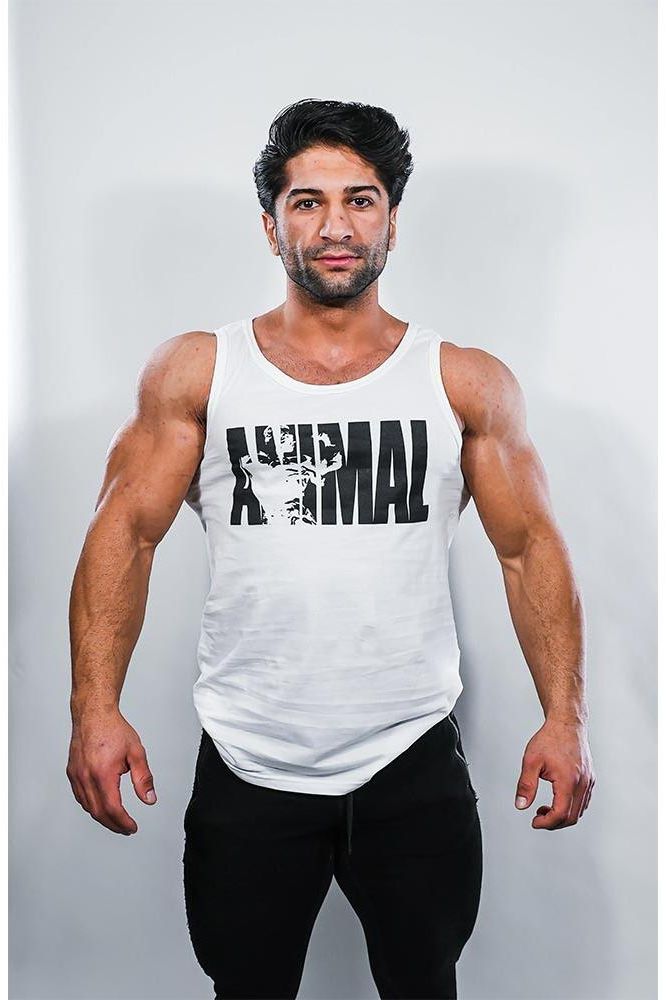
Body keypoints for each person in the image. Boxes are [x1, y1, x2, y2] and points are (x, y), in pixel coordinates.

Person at [66, 98, 596, 999]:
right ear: (270, 228)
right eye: (306, 202)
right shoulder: (199, 371)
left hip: (412, 756)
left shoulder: (461, 380)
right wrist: (94, 709)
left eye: (360, 198)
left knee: (423, 982)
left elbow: (529, 550)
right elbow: (125, 531)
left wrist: (566, 717)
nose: (336, 224)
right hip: (249, 758)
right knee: (248, 985)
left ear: (392, 219)